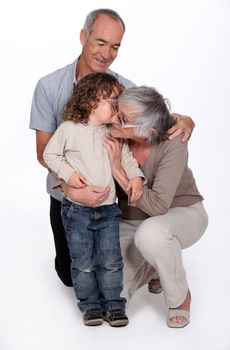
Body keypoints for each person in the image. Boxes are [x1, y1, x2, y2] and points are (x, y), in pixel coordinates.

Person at [30, 8, 195, 287]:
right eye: (100, 42)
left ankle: (156, 259)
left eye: (115, 46)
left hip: (110, 196)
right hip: (66, 195)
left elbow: (152, 120)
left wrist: (188, 120)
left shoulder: (125, 88)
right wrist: (70, 187)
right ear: (84, 36)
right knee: (70, 277)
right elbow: (43, 152)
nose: (106, 54)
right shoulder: (49, 87)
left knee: (108, 267)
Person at [43, 72, 146, 327]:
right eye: (111, 101)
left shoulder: (112, 133)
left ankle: (113, 305)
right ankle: (89, 305)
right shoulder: (69, 129)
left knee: (111, 260)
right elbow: (50, 154)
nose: (116, 106)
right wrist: (69, 174)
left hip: (108, 210)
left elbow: (127, 160)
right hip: (77, 211)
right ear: (90, 101)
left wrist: (136, 178)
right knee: (83, 262)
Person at [101, 86, 209, 328]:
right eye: (117, 111)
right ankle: (156, 267)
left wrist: (118, 170)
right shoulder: (115, 133)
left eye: (123, 119)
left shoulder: (173, 141)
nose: (113, 120)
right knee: (110, 294)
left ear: (147, 131)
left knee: (151, 234)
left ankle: (179, 297)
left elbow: (159, 205)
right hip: (132, 218)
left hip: (180, 211)